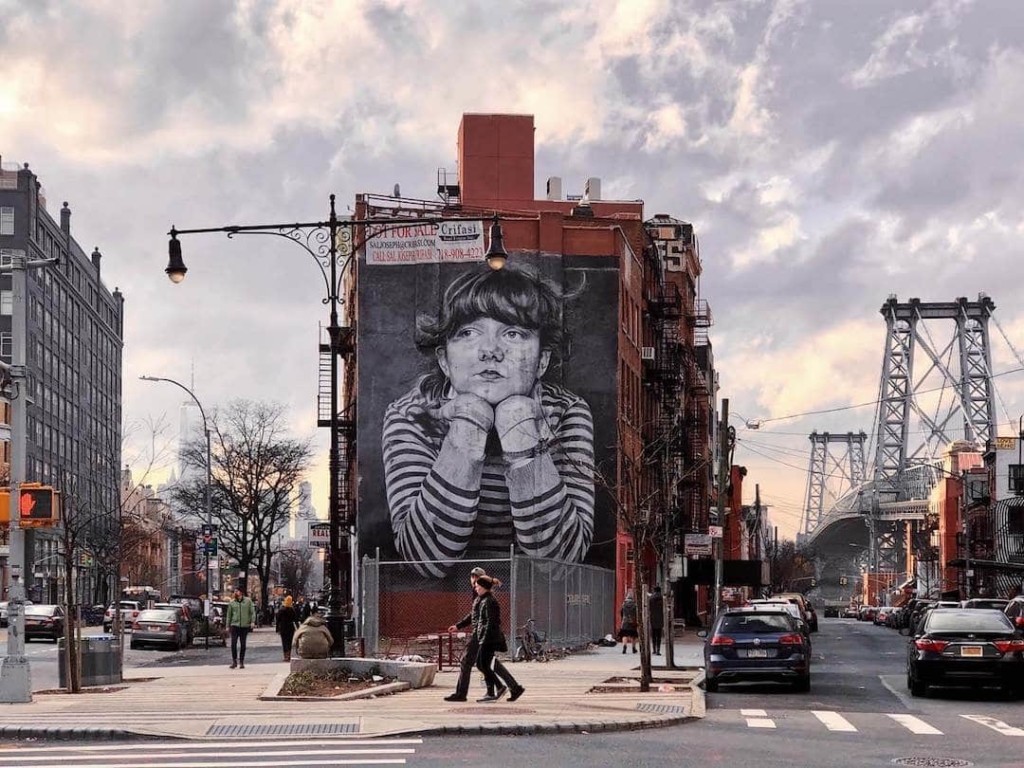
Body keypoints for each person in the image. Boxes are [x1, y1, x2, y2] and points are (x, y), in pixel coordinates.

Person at [382, 264, 595, 577]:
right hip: (442, 599)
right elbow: (426, 559)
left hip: (536, 598)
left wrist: (520, 432)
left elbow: (561, 561)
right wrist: (468, 426)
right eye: (469, 333)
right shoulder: (412, 415)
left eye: (513, 333)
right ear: (444, 360)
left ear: (542, 360)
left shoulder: (566, 412)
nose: (490, 351)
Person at [444, 566, 496, 702]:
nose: (474, 579)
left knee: (467, 662)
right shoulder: (477, 592)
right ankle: (492, 691)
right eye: (472, 576)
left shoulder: (483, 594)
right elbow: (473, 614)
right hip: (481, 632)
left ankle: (462, 694)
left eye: (477, 577)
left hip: (480, 633)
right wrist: (458, 626)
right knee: (481, 663)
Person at [472, 575, 524, 703]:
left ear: (483, 587)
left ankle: (500, 688)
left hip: (489, 639)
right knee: (484, 664)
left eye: (477, 586)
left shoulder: (489, 601)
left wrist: (484, 639)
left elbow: (491, 622)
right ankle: (512, 688)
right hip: (486, 638)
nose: (476, 588)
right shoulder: (484, 600)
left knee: (482, 664)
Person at [226, 588, 256, 669]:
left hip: (244, 626)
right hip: (234, 625)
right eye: (234, 591)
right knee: (233, 643)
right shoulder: (232, 602)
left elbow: (252, 612)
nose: (235, 592)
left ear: (241, 592)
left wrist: (252, 621)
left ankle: (241, 661)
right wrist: (227, 625)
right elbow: (229, 615)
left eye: (237, 591)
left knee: (243, 644)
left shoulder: (248, 601)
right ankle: (234, 661)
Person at [275, 595, 300, 662]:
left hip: (283, 628)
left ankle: (285, 656)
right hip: (290, 628)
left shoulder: (281, 610)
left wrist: (277, 629)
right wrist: (298, 628)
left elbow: (278, 620)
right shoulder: (292, 610)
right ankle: (289, 655)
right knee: (289, 642)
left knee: (284, 642)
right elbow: (296, 620)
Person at [649, 586, 664, 656]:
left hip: (653, 618)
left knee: (653, 635)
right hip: (660, 619)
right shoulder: (662, 598)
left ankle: (654, 650)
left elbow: (649, 608)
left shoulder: (651, 598)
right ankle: (658, 650)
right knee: (659, 636)